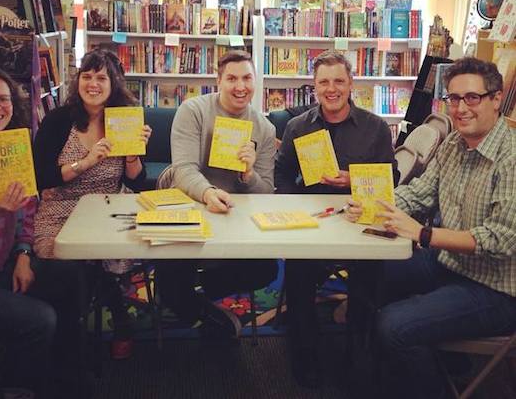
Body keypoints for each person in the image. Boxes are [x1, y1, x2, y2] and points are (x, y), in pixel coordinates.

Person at [347, 57, 516, 399]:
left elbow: (501, 239)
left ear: (496, 99)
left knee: (393, 326)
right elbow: (419, 193)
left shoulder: (511, 159)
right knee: (368, 270)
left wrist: (424, 234)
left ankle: (426, 380)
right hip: (451, 264)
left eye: (472, 98)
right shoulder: (454, 145)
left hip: (496, 289)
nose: (460, 108)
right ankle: (375, 372)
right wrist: (371, 205)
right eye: (453, 99)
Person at [274, 50, 399, 387]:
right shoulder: (297, 127)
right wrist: (294, 208)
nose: (332, 89)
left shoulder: (375, 128)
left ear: (351, 84)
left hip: (361, 223)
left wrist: (353, 180)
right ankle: (304, 351)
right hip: (312, 224)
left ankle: (358, 350)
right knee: (299, 273)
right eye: (324, 82)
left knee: (369, 279)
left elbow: (393, 178)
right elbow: (282, 173)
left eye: (339, 81)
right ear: (314, 87)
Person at [33, 49, 151, 366]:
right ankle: (75, 330)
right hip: (60, 209)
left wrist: (132, 156)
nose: (93, 84)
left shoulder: (125, 118)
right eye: (87, 76)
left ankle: (112, 318)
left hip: (108, 209)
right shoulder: (59, 120)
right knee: (67, 263)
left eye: (101, 77)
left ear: (114, 83)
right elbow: (41, 177)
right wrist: (86, 162)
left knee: (128, 248)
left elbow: (139, 183)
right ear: (78, 80)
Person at [156, 50, 278, 338]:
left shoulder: (265, 127)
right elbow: (183, 170)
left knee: (266, 269)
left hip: (232, 212)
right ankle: (194, 304)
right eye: (232, 78)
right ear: (218, 81)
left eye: (247, 78)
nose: (240, 86)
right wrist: (208, 192)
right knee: (170, 265)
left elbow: (266, 191)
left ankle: (193, 288)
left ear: (255, 81)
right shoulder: (193, 110)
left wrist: (248, 175)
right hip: (185, 202)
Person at [0, 67, 56, 398]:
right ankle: (15, 390)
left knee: (68, 277)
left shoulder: (13, 148)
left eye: (3, 99)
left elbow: (27, 212)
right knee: (40, 319)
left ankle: (66, 372)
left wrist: (22, 254)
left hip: (0, 265)